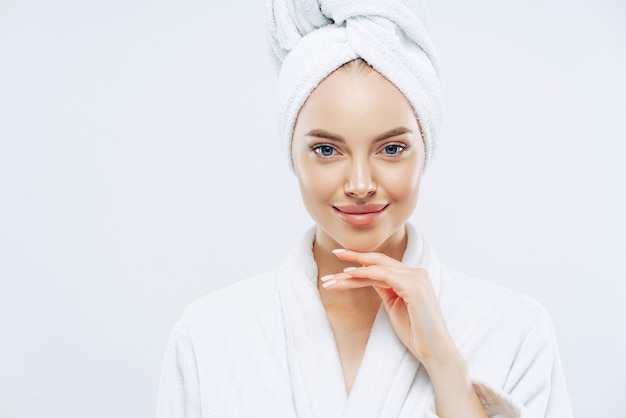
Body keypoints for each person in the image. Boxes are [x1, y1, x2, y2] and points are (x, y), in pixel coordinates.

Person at [157, 0, 572, 417]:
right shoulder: (209, 336)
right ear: (292, 155)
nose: (359, 185)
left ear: (424, 150)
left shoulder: (515, 332)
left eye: (391, 149)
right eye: (326, 149)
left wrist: (446, 367)